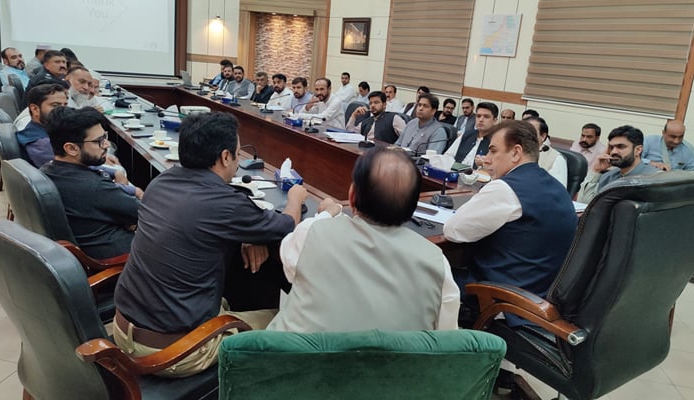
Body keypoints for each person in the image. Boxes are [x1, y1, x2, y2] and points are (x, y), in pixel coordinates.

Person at [113, 112, 311, 378]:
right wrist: (296, 197)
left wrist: (246, 235)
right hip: (171, 352)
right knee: (285, 319)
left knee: (231, 298)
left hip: (123, 328)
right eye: (238, 155)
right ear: (225, 156)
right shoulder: (224, 202)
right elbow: (287, 225)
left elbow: (200, 224)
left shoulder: (160, 183)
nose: (238, 162)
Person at [268, 146, 460, 332]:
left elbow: (288, 258)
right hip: (391, 364)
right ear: (413, 206)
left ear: (352, 197)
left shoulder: (313, 231)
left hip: (297, 361)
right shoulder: (437, 263)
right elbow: (446, 334)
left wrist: (327, 214)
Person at [443, 120, 577, 327]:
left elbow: (452, 231)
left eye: (493, 151)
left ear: (516, 153)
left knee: (432, 270)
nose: (487, 160)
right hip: (541, 294)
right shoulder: (558, 188)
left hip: (505, 299)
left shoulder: (506, 189)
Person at [41, 107, 140, 259]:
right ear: (71, 148)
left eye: (105, 137)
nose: (106, 145)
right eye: (99, 141)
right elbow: (145, 213)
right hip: (121, 261)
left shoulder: (48, 169)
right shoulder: (93, 187)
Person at [577, 125, 660, 204]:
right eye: (611, 147)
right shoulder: (608, 177)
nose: (613, 152)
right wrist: (595, 170)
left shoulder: (654, 179)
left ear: (638, 150)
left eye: (620, 147)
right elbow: (585, 204)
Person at [444, 101, 498, 168]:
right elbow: (448, 155)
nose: (481, 119)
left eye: (486, 117)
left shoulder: (497, 142)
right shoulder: (466, 135)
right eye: (478, 116)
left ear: (495, 121)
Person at [526, 116, 568, 187]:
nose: (525, 135)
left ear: (543, 136)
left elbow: (557, 192)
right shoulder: (516, 152)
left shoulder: (556, 159)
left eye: (531, 132)